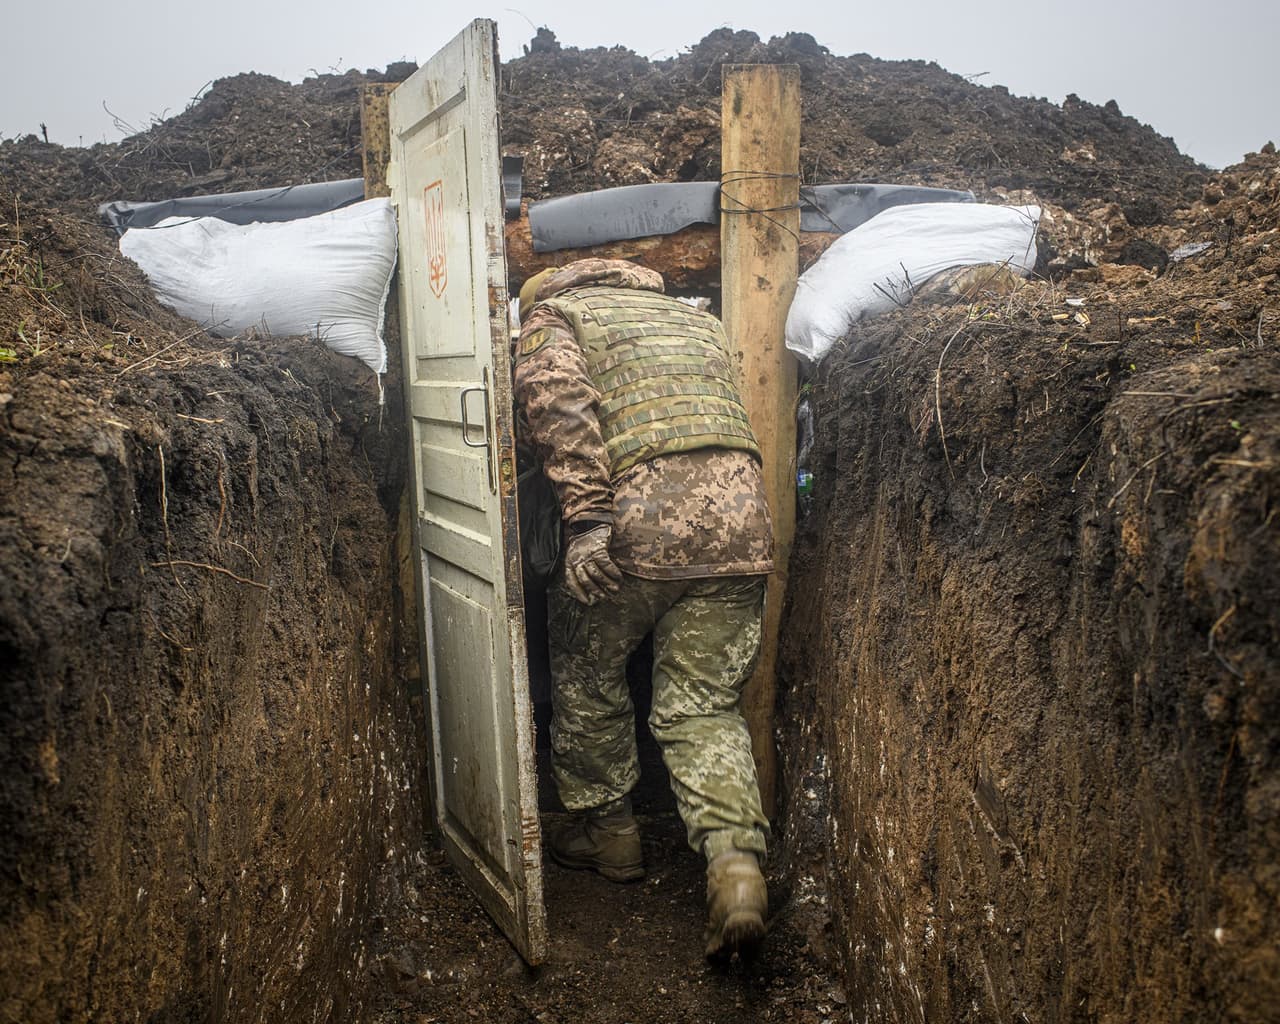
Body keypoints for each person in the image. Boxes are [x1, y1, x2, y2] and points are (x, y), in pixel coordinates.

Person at [513, 257, 775, 958]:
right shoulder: (695, 320)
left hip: (634, 525)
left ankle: (611, 835)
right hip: (741, 527)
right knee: (702, 707)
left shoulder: (554, 318)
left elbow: (558, 404)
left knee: (587, 675)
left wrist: (587, 521)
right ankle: (735, 869)